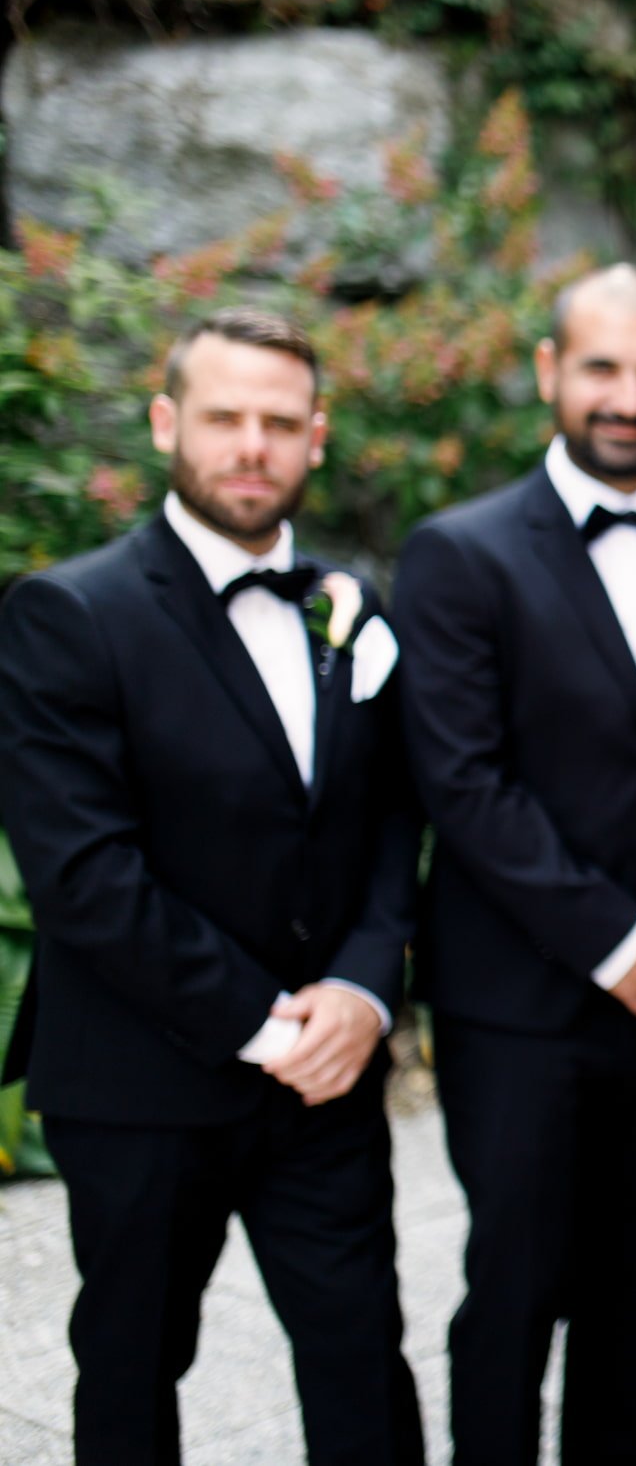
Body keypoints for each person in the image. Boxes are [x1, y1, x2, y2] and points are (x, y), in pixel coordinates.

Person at [0, 308, 424, 1464]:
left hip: (326, 1075)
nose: (251, 444)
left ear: (317, 437)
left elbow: (393, 817)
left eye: (279, 422)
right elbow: (85, 875)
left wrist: (361, 988)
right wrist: (259, 1020)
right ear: (165, 422)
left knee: (361, 1361)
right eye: (225, 417)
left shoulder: (357, 603)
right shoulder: (68, 612)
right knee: (132, 1368)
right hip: (142, 1075)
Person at [394, 264, 636, 1465]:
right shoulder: (460, 554)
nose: (629, 394)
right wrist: (616, 937)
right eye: (603, 367)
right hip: (518, 1005)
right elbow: (462, 781)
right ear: (552, 373)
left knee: (631, 1294)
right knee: (511, 1294)